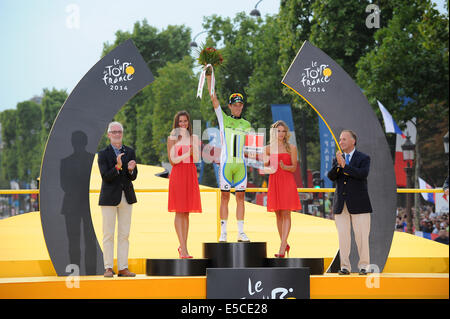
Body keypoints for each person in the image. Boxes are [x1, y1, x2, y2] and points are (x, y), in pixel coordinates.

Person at [206, 74, 253, 243]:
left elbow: (249, 147)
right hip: (226, 164)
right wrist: (209, 76)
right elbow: (213, 98)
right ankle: (224, 232)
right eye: (235, 105)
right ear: (230, 106)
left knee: (241, 198)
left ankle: (241, 232)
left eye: (240, 105)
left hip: (241, 165)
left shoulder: (247, 125)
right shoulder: (223, 119)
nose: (238, 107)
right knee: (225, 197)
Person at [327, 130, 372, 275]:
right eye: (340, 140)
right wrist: (339, 165)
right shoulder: (338, 159)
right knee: (343, 237)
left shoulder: (364, 158)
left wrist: (345, 166)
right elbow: (331, 176)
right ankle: (345, 267)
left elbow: (362, 174)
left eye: (344, 139)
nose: (341, 142)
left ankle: (364, 266)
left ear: (353, 141)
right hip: (341, 204)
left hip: (359, 203)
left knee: (362, 237)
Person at [98, 122, 137, 277]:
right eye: (113, 132)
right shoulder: (103, 154)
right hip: (108, 198)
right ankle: (108, 267)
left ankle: (123, 268)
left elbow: (133, 177)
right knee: (108, 233)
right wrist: (118, 167)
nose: (117, 134)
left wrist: (130, 170)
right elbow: (105, 177)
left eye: (119, 131)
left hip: (126, 196)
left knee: (124, 234)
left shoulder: (130, 151)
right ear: (108, 135)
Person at [263, 120, 301, 257]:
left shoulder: (292, 148)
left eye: (283, 131)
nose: (281, 134)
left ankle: (282, 246)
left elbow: (294, 168)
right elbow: (263, 169)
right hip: (274, 181)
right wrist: (266, 164)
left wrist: (285, 167)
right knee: (278, 214)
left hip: (287, 181)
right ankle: (284, 243)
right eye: (278, 131)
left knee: (286, 213)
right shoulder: (267, 148)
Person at [167, 111, 202, 258]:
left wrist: (193, 151)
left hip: (190, 174)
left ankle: (184, 246)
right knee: (179, 211)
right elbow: (173, 160)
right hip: (178, 174)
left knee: (186, 212)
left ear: (188, 123)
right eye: (180, 121)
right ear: (176, 123)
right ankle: (183, 247)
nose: (183, 124)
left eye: (185, 121)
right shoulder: (172, 138)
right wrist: (187, 154)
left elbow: (197, 158)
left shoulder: (193, 137)